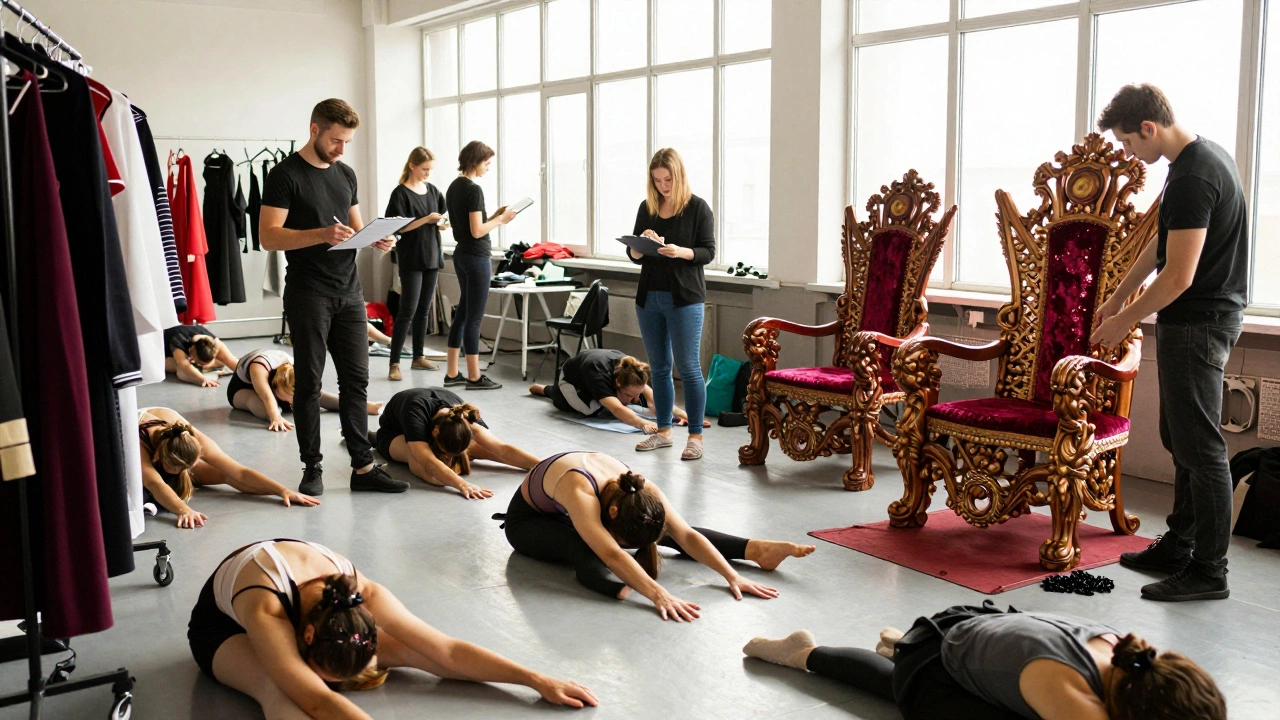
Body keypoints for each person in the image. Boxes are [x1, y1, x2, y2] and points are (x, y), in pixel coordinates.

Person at [1090, 84, 1249, 602]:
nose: (1128, 153)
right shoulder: (1193, 163)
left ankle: (1209, 571)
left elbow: (1178, 277)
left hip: (1199, 322)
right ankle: (1179, 544)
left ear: (1148, 128)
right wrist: (1116, 298)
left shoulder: (1194, 176)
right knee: (1180, 440)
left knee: (1201, 451)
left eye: (1129, 143)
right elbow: (1161, 244)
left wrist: (1121, 322)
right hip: (1198, 321)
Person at [188, 539, 598, 718]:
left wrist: (536, 679)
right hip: (221, 629)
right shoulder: (266, 608)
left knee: (406, 648)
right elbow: (316, 701)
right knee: (278, 689)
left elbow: (446, 652)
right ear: (307, 638)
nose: (336, 685)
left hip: (314, 615)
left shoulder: (359, 596)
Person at [260, 98, 406, 496]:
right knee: (308, 383)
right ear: (314, 130)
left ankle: (363, 466)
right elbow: (268, 236)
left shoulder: (346, 174)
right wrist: (321, 234)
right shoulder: (284, 175)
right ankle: (312, 466)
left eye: (348, 142)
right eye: (337, 140)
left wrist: (379, 238)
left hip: (349, 291)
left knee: (356, 381)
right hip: (308, 293)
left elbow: (356, 228)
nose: (342, 149)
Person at [743, 605, 1226, 720]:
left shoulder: (1132, 655)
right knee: (901, 691)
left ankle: (898, 641)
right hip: (934, 656)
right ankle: (801, 653)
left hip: (972, 626)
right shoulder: (1073, 696)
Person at [503, 451, 814, 620]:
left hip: (584, 512)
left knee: (656, 528)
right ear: (611, 514)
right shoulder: (579, 490)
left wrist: (731, 576)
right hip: (529, 523)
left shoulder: (641, 491)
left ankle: (753, 550)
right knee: (584, 545)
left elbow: (686, 534)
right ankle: (616, 588)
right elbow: (611, 553)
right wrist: (657, 594)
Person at [626, 148, 716, 460]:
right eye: (657, 180)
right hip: (649, 297)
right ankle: (663, 431)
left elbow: (707, 252)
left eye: (667, 179)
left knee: (689, 367)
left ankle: (695, 437)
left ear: (678, 175)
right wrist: (643, 245)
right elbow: (634, 254)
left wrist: (680, 252)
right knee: (660, 368)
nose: (663, 185)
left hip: (685, 299)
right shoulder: (647, 207)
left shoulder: (697, 208)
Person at [138, 407, 319, 529]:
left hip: (169, 446)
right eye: (177, 469)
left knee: (220, 474)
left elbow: (238, 472)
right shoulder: (138, 442)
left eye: (187, 467)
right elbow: (155, 483)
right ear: (157, 458)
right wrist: (183, 510)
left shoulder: (190, 438)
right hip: (130, 444)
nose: (182, 473)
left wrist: (283, 491)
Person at [372, 388, 538, 500]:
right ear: (435, 431)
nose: (449, 459)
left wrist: (542, 464)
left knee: (480, 449)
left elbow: (501, 449)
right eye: (447, 454)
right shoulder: (415, 415)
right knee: (420, 462)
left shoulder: (463, 417)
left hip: (439, 429)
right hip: (394, 433)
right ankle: (372, 439)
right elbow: (430, 463)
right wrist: (462, 485)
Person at [443, 140, 516, 391]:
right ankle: (474, 377)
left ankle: (453, 373)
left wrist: (495, 216)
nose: (488, 167)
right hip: (476, 256)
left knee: (462, 315)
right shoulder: (474, 189)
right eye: (486, 163)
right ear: (475, 161)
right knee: (473, 319)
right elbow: (477, 231)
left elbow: (468, 225)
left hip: (461, 254)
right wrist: (502, 220)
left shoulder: (454, 186)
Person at [527, 348, 709, 433]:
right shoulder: (598, 376)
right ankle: (548, 390)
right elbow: (618, 409)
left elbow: (657, 401)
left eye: (637, 394)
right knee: (592, 409)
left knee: (629, 403)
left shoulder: (631, 371)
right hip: (571, 381)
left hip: (596, 380)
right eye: (631, 395)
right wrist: (642, 423)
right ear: (617, 383)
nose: (637, 399)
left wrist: (689, 416)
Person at [385, 146, 449, 381]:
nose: (428, 173)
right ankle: (394, 363)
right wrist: (425, 220)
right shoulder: (400, 194)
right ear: (412, 166)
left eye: (430, 169)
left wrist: (441, 223)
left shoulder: (433, 191)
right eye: (424, 169)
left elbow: (443, 218)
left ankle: (418, 357)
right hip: (411, 257)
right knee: (407, 311)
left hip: (432, 255)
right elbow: (398, 227)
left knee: (424, 310)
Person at [227, 349, 383, 433]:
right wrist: (275, 417)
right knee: (265, 406)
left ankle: (362, 405)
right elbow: (267, 396)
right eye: (288, 397)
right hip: (243, 389)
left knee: (314, 397)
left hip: (280, 385)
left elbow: (314, 390)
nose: (292, 402)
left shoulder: (294, 366)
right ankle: (278, 410)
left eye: (292, 398)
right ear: (275, 386)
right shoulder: (259, 369)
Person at [164, 324, 239, 387]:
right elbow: (184, 365)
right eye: (199, 362)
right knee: (181, 372)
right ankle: (205, 371)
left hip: (196, 352)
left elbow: (231, 360)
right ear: (192, 355)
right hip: (164, 354)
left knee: (223, 361)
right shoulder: (179, 340)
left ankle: (205, 369)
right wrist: (202, 379)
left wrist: (247, 375)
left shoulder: (215, 343)